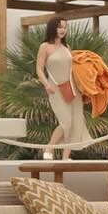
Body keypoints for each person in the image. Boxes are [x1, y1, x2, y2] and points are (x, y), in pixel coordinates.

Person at [35, 14, 89, 161]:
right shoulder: (45, 47)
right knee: (66, 123)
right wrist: (46, 85)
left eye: (65, 27)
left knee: (74, 123)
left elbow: (73, 69)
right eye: (60, 27)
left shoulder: (67, 48)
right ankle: (49, 148)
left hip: (72, 88)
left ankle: (66, 157)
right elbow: (39, 69)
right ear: (53, 28)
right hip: (55, 89)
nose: (63, 30)